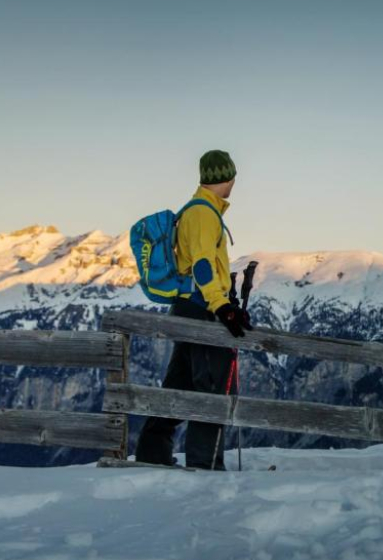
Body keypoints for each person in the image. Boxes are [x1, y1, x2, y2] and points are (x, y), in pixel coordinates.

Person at [135, 149, 253, 470]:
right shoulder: (203, 214)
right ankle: (206, 467)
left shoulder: (197, 209)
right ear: (227, 177)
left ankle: (152, 454)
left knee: (180, 384)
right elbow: (202, 265)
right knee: (211, 389)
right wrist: (222, 306)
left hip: (188, 306)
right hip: (203, 308)